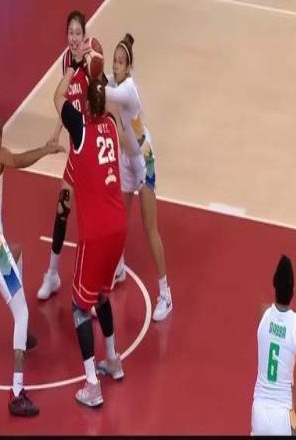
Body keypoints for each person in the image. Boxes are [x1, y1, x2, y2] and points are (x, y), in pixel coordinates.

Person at [0, 114, 63, 416]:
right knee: (21, 312)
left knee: (19, 252)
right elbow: (20, 160)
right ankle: (16, 393)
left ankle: (22, 335)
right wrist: (47, 149)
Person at [53, 60, 127, 407]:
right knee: (102, 295)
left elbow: (57, 98)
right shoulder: (111, 124)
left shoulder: (80, 128)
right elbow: (106, 107)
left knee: (79, 305)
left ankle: (91, 384)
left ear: (85, 102)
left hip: (95, 232)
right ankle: (112, 360)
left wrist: (74, 67)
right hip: (118, 227)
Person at [104, 33, 172, 322]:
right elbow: (104, 81)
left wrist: (91, 76)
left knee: (149, 227)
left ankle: (165, 294)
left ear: (129, 67)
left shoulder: (128, 89)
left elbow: (105, 92)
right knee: (119, 219)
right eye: (114, 61)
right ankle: (118, 266)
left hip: (144, 159)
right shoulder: (114, 81)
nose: (116, 66)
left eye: (121, 62)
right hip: (126, 158)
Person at [37, 10, 91, 301]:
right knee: (63, 208)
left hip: (90, 150)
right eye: (70, 32)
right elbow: (64, 101)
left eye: (78, 33)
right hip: (75, 150)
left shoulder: (92, 62)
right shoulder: (66, 61)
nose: (73, 37)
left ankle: (110, 269)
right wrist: (57, 132)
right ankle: (52, 274)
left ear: (85, 35)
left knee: (93, 217)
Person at [251, 255, 296, 435]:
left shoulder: (263, 313)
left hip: (259, 409)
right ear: (293, 290)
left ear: (274, 285)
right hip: (281, 413)